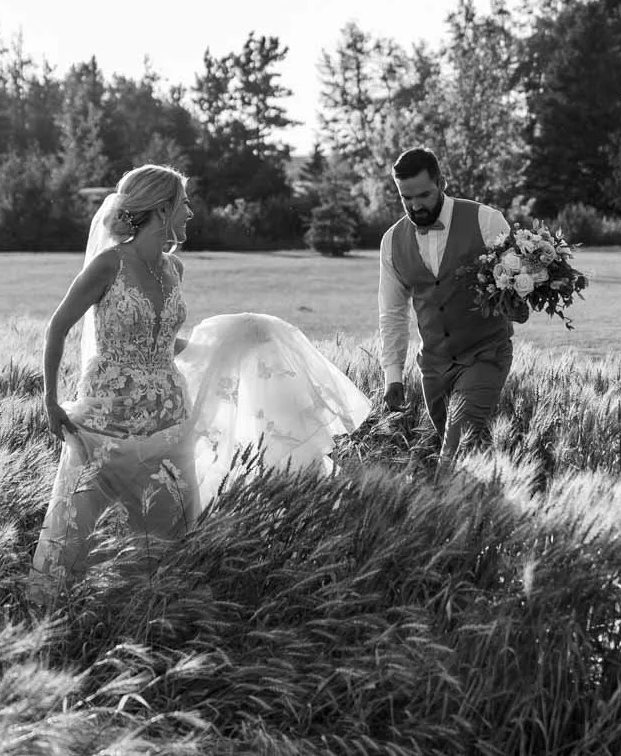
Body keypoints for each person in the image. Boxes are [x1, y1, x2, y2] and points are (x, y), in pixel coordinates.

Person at [28, 164, 371, 606]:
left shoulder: (174, 268)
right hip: (104, 425)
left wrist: (230, 343)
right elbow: (57, 328)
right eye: (184, 203)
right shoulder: (108, 264)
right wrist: (51, 401)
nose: (190, 212)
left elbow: (164, 341)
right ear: (162, 208)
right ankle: (51, 619)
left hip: (169, 420)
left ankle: (151, 617)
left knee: (171, 541)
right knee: (70, 544)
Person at [377, 148, 524, 466]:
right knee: (470, 457)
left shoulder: (486, 220)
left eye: (424, 195)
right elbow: (392, 312)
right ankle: (493, 509)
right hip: (434, 368)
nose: (416, 205)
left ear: (441, 183)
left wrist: (520, 300)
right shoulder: (392, 241)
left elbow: (515, 287)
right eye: (406, 198)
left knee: (453, 453)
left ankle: (444, 509)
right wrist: (393, 377)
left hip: (484, 355)